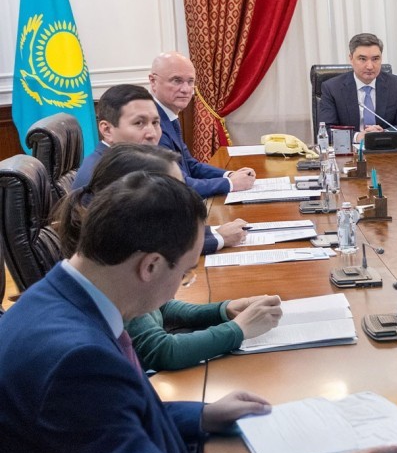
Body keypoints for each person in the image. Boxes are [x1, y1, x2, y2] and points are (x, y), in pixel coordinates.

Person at [0, 172, 397, 453]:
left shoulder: (59, 299)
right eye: (185, 271)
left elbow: (106, 419)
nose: (183, 284)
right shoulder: (76, 360)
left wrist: (202, 415)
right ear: (151, 266)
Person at [54, 144, 282, 371]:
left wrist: (222, 310)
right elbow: (160, 349)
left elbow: (160, 307)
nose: (185, 199)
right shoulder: (111, 290)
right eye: (184, 274)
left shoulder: (112, 268)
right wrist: (237, 330)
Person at [75, 84, 247, 253]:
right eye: (139, 123)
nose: (152, 134)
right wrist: (219, 239)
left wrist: (215, 232)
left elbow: (159, 229)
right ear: (107, 130)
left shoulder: (126, 162)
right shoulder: (107, 174)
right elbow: (143, 246)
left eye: (155, 122)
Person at [149, 51, 257, 198]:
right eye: (176, 80)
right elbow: (178, 185)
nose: (186, 89)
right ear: (153, 81)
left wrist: (230, 175)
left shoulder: (168, 115)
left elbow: (190, 165)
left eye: (190, 81)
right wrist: (230, 183)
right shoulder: (153, 125)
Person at [317, 33, 397, 136]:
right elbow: (326, 130)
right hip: (352, 145)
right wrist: (357, 136)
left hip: (385, 145)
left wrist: (384, 134)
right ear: (351, 59)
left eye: (375, 59)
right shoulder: (332, 88)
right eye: (362, 59)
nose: (370, 66)